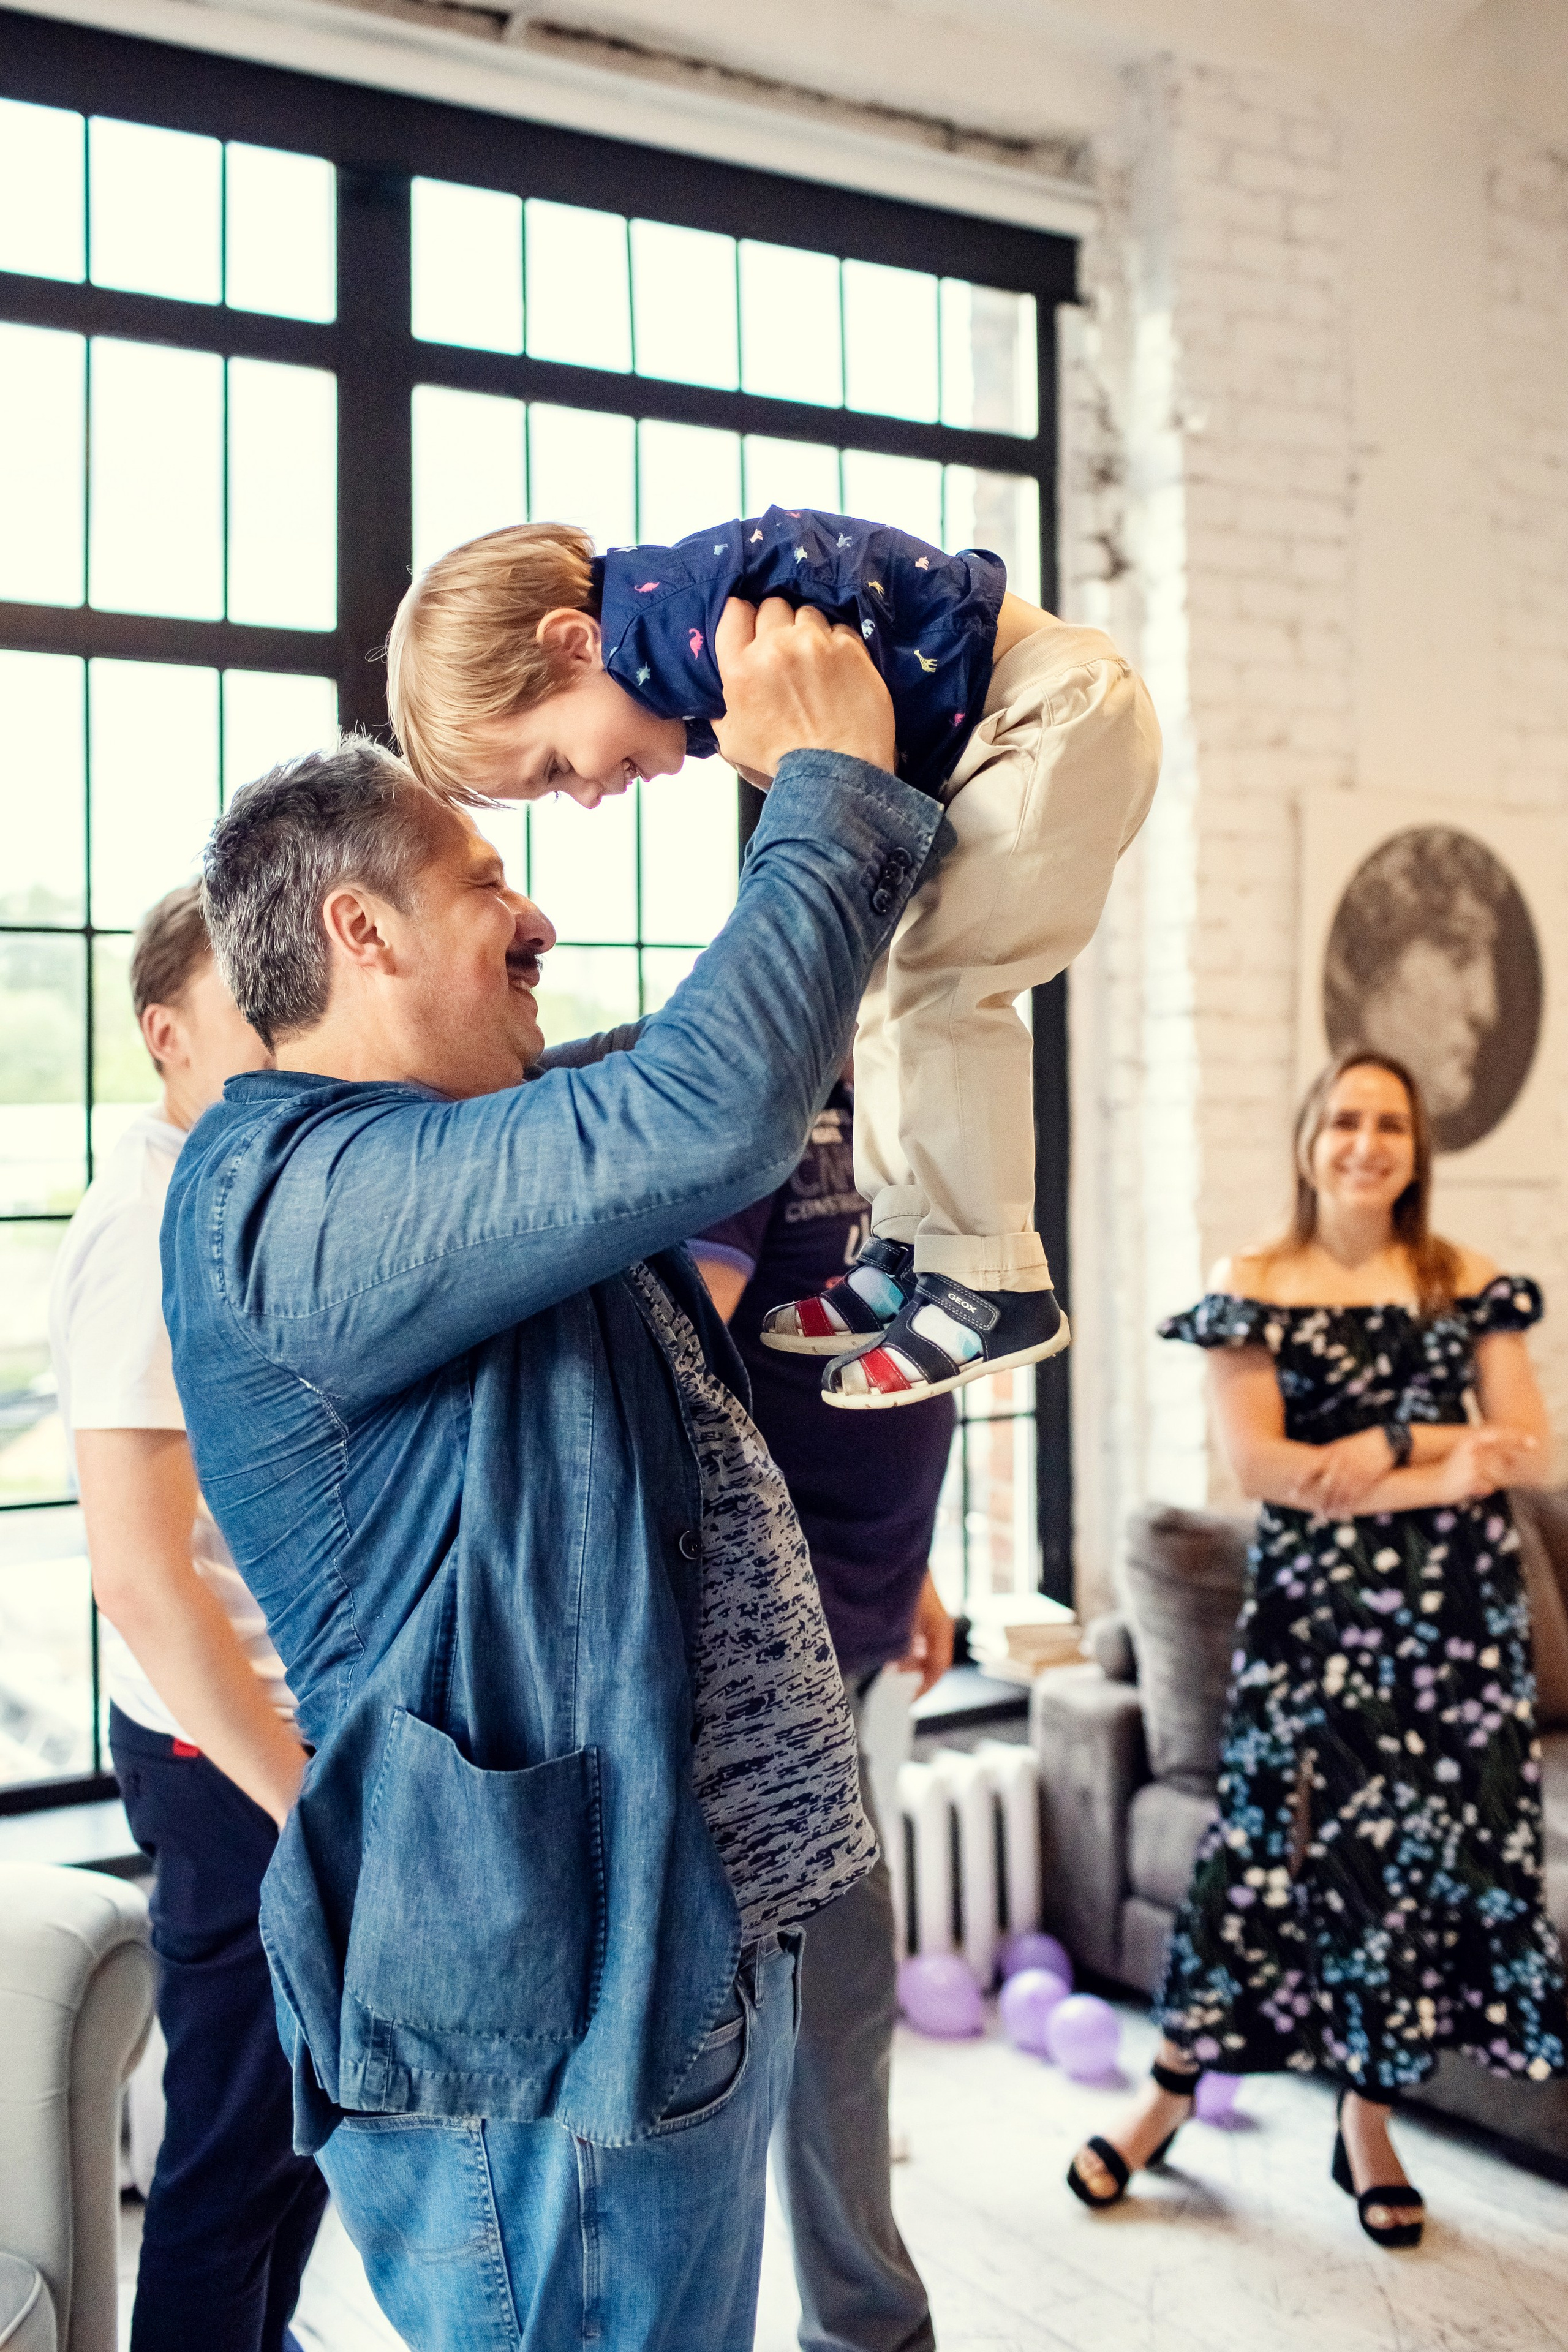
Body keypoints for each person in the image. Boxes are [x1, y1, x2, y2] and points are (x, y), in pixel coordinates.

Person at [162, 600, 943, 2352]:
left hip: (658, 1960)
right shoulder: (296, 1199)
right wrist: (824, 785)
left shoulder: (443, 1159)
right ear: (359, 929)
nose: (538, 920)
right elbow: (700, 1109)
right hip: (553, 2042)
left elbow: (715, 1067)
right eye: (485, 883)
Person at [385, 507, 1161, 1408]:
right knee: (883, 991)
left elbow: (811, 549)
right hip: (1005, 733)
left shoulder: (688, 616)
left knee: (945, 990)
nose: (589, 797)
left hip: (1046, 712)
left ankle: (992, 1277)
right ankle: (908, 1241)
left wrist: (907, 654)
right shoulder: (674, 648)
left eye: (557, 766)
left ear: (573, 644)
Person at [1066, 1050, 1567, 2249]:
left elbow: (1526, 1445)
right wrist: (1440, 1460)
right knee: (1260, 1858)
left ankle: (1366, 2125)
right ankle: (1164, 2099)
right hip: (1316, 1624)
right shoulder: (1252, 1283)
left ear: (1416, 1148)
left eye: (1389, 1123)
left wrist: (1385, 1447)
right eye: (1344, 1119)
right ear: (1307, 1140)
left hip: (1454, 1630)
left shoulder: (1465, 1281)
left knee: (1406, 1871)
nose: (1365, 1142)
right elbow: (1263, 1467)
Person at [47, 886, 326, 2352]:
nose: (287, 1028)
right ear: (166, 1034)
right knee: (232, 2159)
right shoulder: (151, 1227)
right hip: (228, 1756)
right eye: (248, 1004)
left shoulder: (232, 1196)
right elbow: (140, 1574)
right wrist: (301, 1798)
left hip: (267, 1747)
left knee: (290, 2145)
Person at [690, 1072, 955, 2352]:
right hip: (770, 1637)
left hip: (860, 1603)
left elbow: (895, 1348)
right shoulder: (756, 1105)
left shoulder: (901, 1099)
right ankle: (869, 2330)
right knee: (836, 1981)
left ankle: (862, 2323)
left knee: (832, 1989)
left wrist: (919, 1570)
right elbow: (684, 1370)